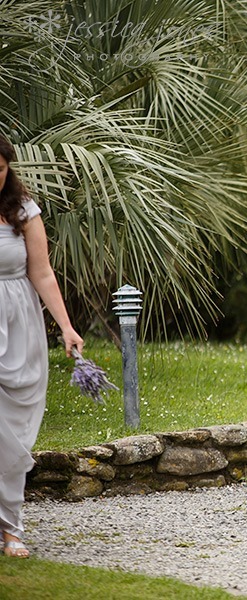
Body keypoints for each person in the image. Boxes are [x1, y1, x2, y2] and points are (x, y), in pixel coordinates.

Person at [0, 136, 83, 558]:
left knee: (13, 434)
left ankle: (11, 529)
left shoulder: (23, 210)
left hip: (20, 326)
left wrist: (66, 327)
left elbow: (43, 273)